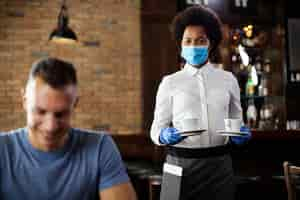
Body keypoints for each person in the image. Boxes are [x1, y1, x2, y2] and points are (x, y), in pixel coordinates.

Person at [150, 5, 251, 200]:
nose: (193, 46)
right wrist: (164, 135)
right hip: (177, 164)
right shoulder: (169, 82)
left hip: (219, 166)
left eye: (200, 40)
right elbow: (155, 130)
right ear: (180, 44)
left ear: (210, 43)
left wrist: (241, 134)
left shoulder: (228, 80)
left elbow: (237, 121)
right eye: (188, 41)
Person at [0, 57, 137, 200]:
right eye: (40, 111)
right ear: (24, 101)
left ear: (74, 104)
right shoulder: (2, 149)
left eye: (60, 114)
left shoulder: (100, 147)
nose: (50, 127)